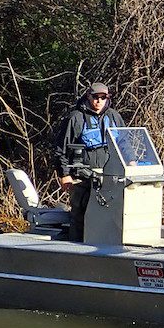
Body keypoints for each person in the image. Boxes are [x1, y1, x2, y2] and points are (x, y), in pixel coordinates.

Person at [52, 81, 126, 242]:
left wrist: (131, 162)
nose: (98, 101)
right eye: (95, 97)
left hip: (108, 177)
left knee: (108, 216)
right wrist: (64, 175)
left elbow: (124, 144)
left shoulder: (114, 117)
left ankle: (103, 248)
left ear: (108, 98)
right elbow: (60, 149)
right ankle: (76, 250)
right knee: (80, 214)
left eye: (103, 97)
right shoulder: (75, 118)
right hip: (82, 177)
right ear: (88, 96)